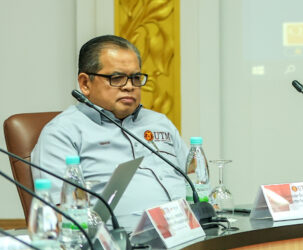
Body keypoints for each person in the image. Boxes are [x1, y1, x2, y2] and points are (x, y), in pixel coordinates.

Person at [32, 35, 189, 229]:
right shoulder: (62, 133)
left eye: (135, 78)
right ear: (85, 84)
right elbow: (58, 216)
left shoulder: (158, 122)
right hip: (123, 247)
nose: (129, 86)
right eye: (117, 78)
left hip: (190, 232)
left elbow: (194, 179)